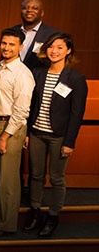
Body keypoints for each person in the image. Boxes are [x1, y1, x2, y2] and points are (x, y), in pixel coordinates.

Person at [25, 33, 87, 238]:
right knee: (35, 175)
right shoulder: (37, 73)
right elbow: (31, 105)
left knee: (57, 178)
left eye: (60, 47)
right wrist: (27, 132)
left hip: (59, 136)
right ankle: (35, 212)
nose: (54, 51)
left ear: (68, 51)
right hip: (36, 132)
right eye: (51, 47)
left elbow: (77, 113)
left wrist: (70, 142)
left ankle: (53, 216)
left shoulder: (75, 78)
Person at [0, 28, 34, 238]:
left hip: (10, 127)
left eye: (12, 44)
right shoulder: (0, 68)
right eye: (4, 43)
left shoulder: (22, 74)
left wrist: (5, 137)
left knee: (8, 180)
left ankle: (7, 225)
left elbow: (22, 112)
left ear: (21, 47)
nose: (6, 47)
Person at [13, 0, 59, 71]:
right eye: (25, 8)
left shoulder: (52, 34)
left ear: (42, 13)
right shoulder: (12, 31)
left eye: (35, 8)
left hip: (38, 78)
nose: (29, 10)